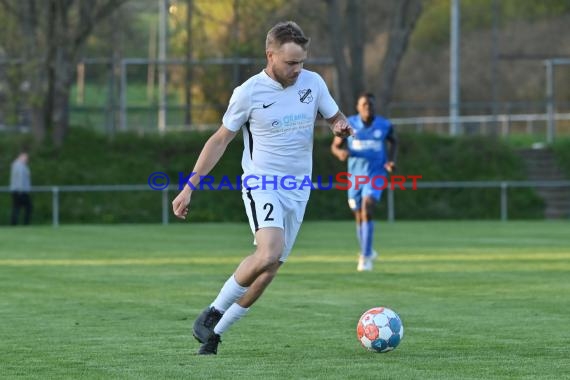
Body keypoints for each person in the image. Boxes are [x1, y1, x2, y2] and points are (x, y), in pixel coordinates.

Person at [171, 21, 353, 355]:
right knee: (268, 251)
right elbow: (220, 140)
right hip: (262, 182)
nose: (297, 69)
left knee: (269, 269)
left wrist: (340, 124)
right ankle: (210, 313)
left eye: (301, 62)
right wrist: (189, 187)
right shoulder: (248, 93)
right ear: (270, 55)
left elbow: (334, 116)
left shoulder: (312, 83)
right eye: (290, 63)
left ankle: (215, 334)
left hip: (299, 188)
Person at [330, 92, 397, 272]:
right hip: (355, 177)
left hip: (376, 174)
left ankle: (365, 257)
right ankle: (366, 249)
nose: (368, 107)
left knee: (368, 208)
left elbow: (393, 141)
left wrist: (390, 161)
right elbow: (335, 146)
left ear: (375, 107)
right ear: (358, 108)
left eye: (371, 104)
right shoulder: (349, 124)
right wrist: (340, 153)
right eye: (364, 105)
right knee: (359, 215)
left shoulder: (384, 125)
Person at [10, 151, 32, 225]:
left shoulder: (20, 165)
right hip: (20, 191)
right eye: (25, 157)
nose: (27, 159)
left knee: (17, 208)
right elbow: (20, 178)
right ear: (20, 157)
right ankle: (24, 223)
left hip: (19, 190)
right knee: (26, 207)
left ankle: (15, 224)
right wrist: (20, 191)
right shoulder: (19, 165)